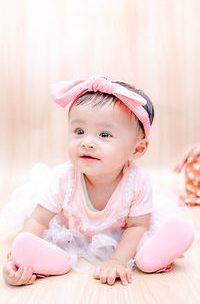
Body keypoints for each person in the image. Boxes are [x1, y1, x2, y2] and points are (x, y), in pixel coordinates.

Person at [2, 75, 194, 286]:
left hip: (123, 235)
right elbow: (38, 220)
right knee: (37, 241)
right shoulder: (63, 178)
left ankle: (152, 258)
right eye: (79, 131)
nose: (87, 142)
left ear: (137, 149)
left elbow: (137, 226)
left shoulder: (138, 182)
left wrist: (118, 260)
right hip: (72, 233)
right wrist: (15, 259)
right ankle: (43, 259)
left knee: (142, 243)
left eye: (104, 134)